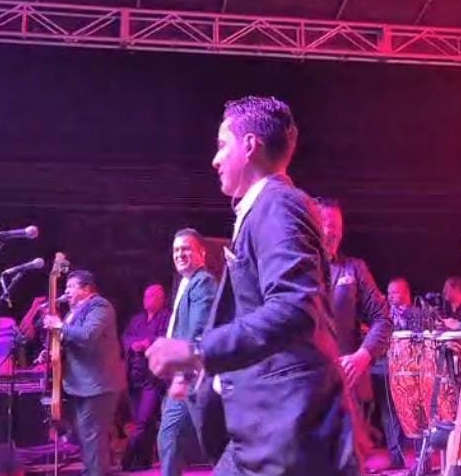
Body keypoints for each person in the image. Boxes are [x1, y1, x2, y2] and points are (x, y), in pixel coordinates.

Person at [146, 95, 356, 475]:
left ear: (249, 146)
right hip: (271, 427)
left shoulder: (278, 205)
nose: (215, 159)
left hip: (289, 428)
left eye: (221, 144)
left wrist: (198, 351)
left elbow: (295, 307)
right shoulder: (263, 208)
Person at [315, 197, 392, 467]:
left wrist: (362, 356)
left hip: (344, 388)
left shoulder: (354, 268)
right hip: (304, 387)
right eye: (326, 224)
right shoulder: (295, 268)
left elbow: (383, 319)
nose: (333, 232)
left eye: (337, 226)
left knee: (347, 464)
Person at [43, 270, 123, 476]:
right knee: (87, 439)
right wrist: (52, 351)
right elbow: (70, 342)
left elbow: (88, 336)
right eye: (66, 287)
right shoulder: (73, 312)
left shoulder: (100, 306)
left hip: (97, 385)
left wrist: (59, 325)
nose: (66, 291)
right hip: (79, 385)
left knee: (93, 438)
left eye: (71, 287)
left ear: (86, 288)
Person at [158, 229, 218, 476]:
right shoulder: (188, 283)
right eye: (176, 250)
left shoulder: (202, 282)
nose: (179, 254)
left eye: (186, 249)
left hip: (192, 376)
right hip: (187, 375)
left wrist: (182, 376)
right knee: (210, 442)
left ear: (201, 253)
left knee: (171, 436)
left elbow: (198, 331)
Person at [121, 283, 171, 470]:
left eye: (151, 296)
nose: (146, 300)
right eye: (145, 296)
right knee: (143, 421)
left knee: (143, 420)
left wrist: (148, 342)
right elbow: (126, 337)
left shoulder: (167, 317)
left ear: (161, 299)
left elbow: (167, 337)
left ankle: (127, 459)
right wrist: (134, 344)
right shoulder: (137, 319)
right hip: (134, 376)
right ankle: (143, 462)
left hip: (153, 377)